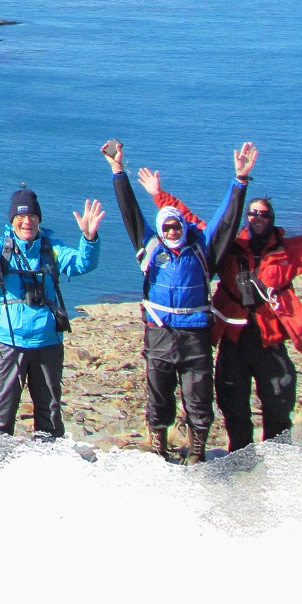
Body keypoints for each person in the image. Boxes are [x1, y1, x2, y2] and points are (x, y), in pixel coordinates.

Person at [105, 141, 255, 464]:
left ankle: (196, 449)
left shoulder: (203, 250)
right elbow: (130, 212)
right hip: (158, 333)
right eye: (167, 226)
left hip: (195, 335)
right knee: (157, 394)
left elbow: (226, 220)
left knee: (199, 395)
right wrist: (118, 172)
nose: (172, 230)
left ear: (183, 227)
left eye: (176, 225)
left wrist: (239, 181)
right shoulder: (149, 248)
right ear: (160, 229)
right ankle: (159, 446)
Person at [148, 183, 302, 452]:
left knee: (278, 397)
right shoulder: (231, 246)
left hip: (270, 336)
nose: (257, 218)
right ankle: (241, 455)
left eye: (264, 214)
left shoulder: (287, 249)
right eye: (252, 213)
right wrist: (159, 195)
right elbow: (194, 222)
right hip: (233, 335)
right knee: (232, 399)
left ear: (272, 219)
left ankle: (279, 454)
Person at [0, 186, 104, 441]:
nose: (26, 221)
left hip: (47, 342)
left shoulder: (51, 248)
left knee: (50, 415)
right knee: (0, 412)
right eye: (20, 217)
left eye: (32, 216)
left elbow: (82, 264)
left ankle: (47, 466)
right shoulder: (1, 247)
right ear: (12, 221)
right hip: (8, 342)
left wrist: (89, 238)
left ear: (39, 219)